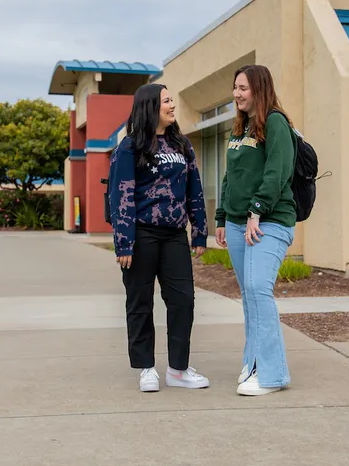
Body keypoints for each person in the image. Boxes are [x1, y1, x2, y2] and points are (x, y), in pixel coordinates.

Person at [108, 83, 210, 393]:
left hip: (174, 235)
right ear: (150, 106)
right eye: (166, 101)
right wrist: (124, 240)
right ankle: (146, 368)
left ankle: (178, 369)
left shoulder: (182, 145)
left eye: (172, 101)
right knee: (140, 303)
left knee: (183, 301)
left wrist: (199, 231)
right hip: (141, 235)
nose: (172, 106)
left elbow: (195, 189)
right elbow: (120, 194)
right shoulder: (130, 147)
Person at [214, 64, 297, 396]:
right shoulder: (240, 127)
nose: (236, 94)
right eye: (235, 88)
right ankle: (252, 362)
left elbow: (277, 172)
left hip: (270, 220)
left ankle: (271, 374)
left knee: (259, 290)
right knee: (249, 294)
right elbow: (229, 176)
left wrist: (256, 211)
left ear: (259, 89)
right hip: (237, 222)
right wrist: (221, 217)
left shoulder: (275, 123)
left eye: (243, 88)